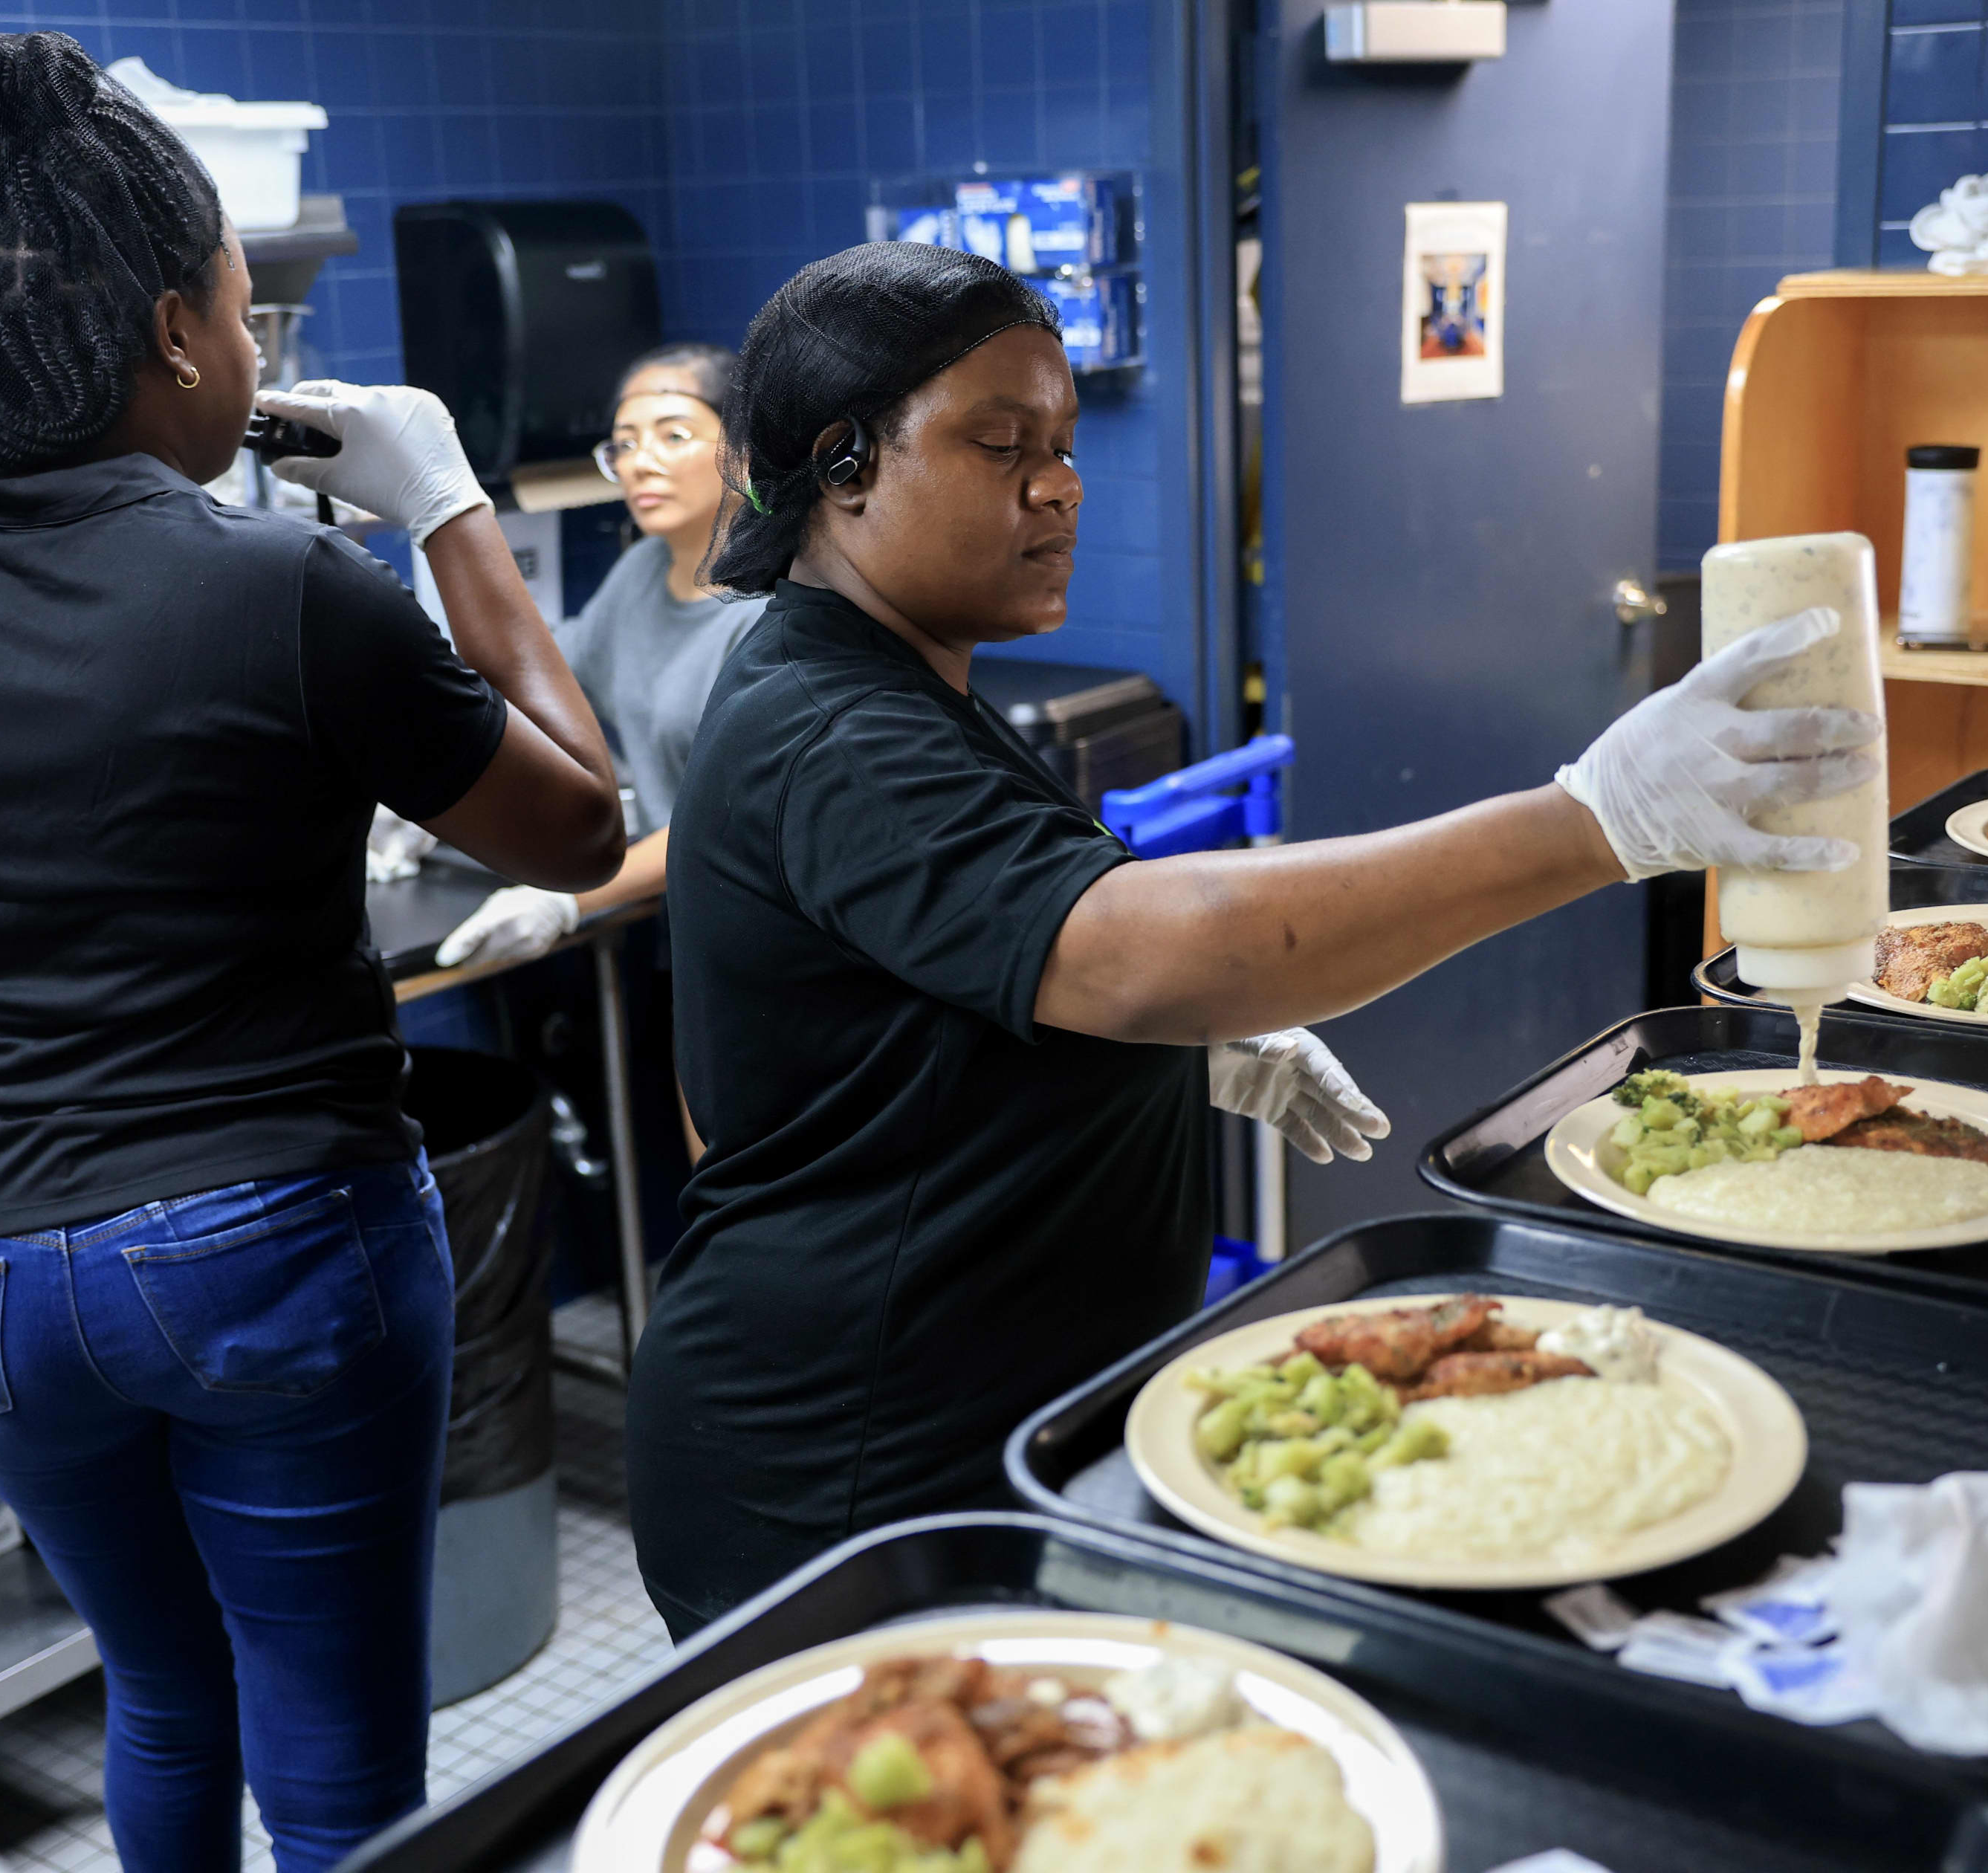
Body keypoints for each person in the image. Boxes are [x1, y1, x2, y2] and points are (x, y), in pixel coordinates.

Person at [626, 244, 1877, 1635]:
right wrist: (1594, 821)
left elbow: (870, 1039)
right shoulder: (834, 723)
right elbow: (1142, 950)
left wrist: (1135, 1066)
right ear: (843, 463)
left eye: (1064, 443)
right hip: (842, 1472)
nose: (1059, 483)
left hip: (965, 1429)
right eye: (1000, 445)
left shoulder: (892, 691)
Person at [0, 33, 619, 1873]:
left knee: (166, 1697)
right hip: (287, 1248)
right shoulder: (280, 585)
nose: (258, 357)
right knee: (343, 1767)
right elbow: (585, 824)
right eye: (239, 315)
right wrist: (447, 508)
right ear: (178, 333)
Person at [421, 342, 769, 973]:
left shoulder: (774, 613)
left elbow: (731, 821)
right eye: (625, 444)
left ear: (743, 453)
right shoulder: (639, 574)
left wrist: (564, 904)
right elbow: (533, 681)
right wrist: (425, 785)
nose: (642, 463)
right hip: (702, 936)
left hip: (789, 939)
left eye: (673, 435)